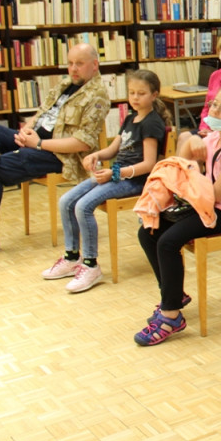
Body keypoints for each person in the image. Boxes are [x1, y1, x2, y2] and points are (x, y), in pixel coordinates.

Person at [135, 84, 221, 346]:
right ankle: (174, 295)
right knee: (148, 230)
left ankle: (171, 316)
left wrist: (190, 180)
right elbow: (180, 165)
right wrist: (189, 140)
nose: (215, 109)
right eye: (215, 104)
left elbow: (216, 192)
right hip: (206, 203)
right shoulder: (215, 136)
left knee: (168, 242)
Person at [0, 43, 110, 259]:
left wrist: (39, 144)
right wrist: (27, 131)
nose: (73, 69)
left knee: (3, 167)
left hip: (59, 154)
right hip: (34, 142)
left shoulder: (97, 96)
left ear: (95, 65)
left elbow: (83, 143)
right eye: (70, 63)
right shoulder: (65, 84)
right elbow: (41, 113)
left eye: (79, 64)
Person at [42, 70, 170, 292]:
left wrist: (115, 173)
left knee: (83, 206)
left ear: (154, 95)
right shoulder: (131, 118)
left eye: (141, 93)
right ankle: (72, 257)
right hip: (117, 173)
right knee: (66, 201)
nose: (135, 97)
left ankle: (91, 265)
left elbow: (149, 164)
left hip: (136, 180)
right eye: (132, 93)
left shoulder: (152, 123)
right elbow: (114, 148)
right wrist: (97, 156)